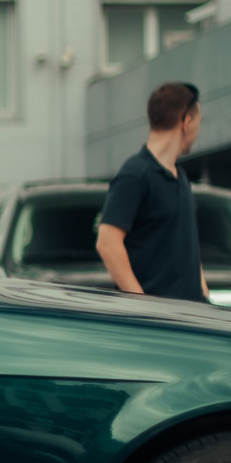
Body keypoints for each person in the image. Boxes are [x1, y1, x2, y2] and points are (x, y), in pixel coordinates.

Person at [95, 81, 209, 304]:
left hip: (193, 314)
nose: (198, 130)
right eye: (199, 122)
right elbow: (107, 243)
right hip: (157, 318)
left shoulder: (181, 177)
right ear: (187, 122)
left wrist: (204, 293)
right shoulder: (135, 174)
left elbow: (187, 247)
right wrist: (144, 306)